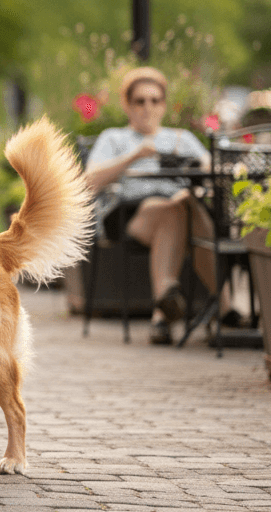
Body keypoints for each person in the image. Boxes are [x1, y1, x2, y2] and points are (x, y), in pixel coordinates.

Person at [83, 66, 222, 345]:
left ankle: (164, 308)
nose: (148, 108)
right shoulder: (114, 138)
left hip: (181, 208)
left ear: (164, 105)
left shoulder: (181, 139)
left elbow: (212, 169)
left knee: (181, 204)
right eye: (140, 101)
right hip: (129, 213)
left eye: (155, 100)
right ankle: (226, 307)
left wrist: (194, 166)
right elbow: (88, 182)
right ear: (127, 105)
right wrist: (134, 156)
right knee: (175, 208)